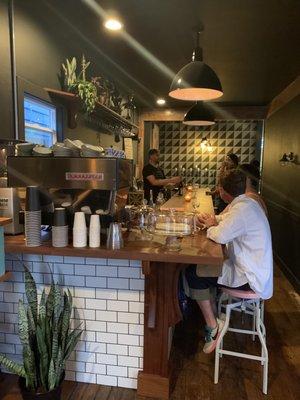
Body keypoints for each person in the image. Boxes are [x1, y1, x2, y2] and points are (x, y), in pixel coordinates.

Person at [185, 169, 273, 354]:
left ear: (224, 192)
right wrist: (211, 219)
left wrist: (210, 226)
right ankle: (214, 316)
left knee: (194, 273)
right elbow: (224, 219)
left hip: (249, 278)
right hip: (254, 271)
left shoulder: (242, 209)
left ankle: (213, 325)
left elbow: (220, 235)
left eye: (219, 188)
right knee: (204, 269)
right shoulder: (246, 204)